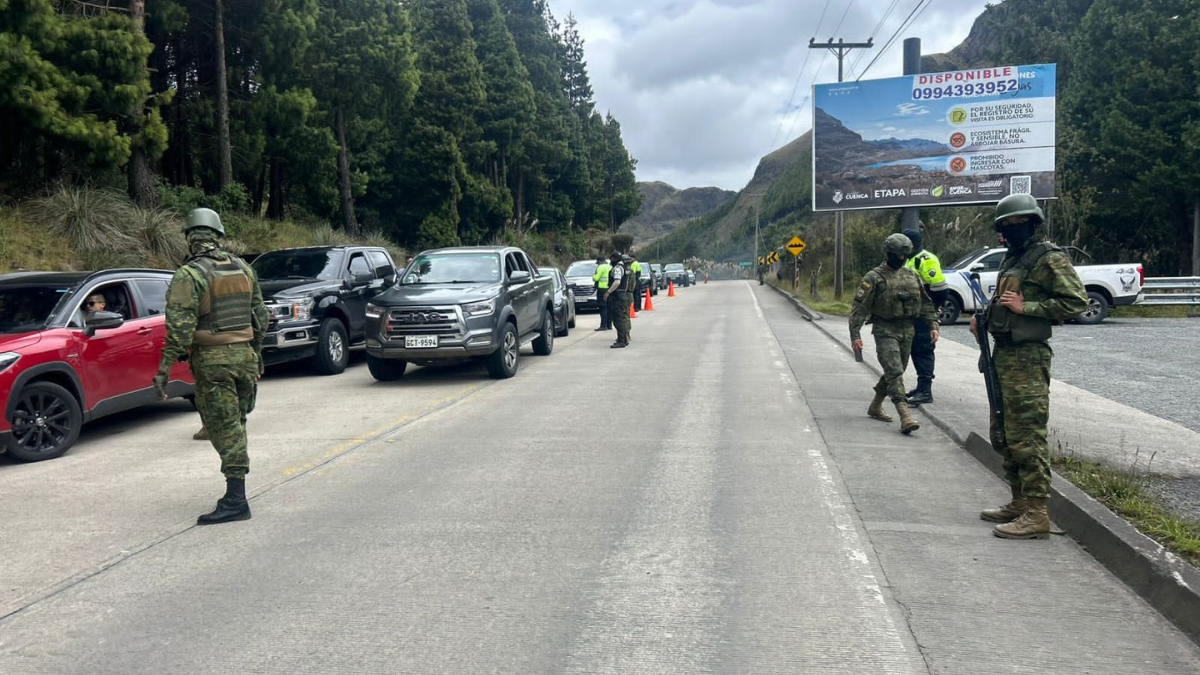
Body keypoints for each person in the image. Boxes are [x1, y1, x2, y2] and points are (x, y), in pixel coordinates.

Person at [974, 194, 1087, 540]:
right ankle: (1020, 502)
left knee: (1027, 435)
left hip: (1027, 357)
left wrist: (1029, 308)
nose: (1012, 229)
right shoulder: (1014, 257)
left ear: (1033, 223)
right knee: (1003, 433)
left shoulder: (1049, 258)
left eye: (1018, 223)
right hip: (1003, 354)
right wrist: (986, 318)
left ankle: (1038, 513)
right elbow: (1005, 300)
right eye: (1006, 224)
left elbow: (1076, 301)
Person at [154, 208, 268, 525]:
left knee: (225, 430)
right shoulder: (243, 268)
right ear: (218, 235)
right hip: (244, 357)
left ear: (190, 238)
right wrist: (256, 353)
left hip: (214, 361)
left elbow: (178, 330)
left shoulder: (189, 275)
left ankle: (236, 500)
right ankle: (236, 493)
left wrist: (164, 370)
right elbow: (262, 317)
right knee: (237, 424)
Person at [848, 233, 939, 435]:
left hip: (908, 330)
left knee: (895, 371)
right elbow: (859, 307)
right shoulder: (874, 278)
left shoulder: (911, 275)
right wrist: (855, 334)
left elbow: (925, 303)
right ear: (888, 253)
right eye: (897, 255)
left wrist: (933, 323)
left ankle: (875, 406)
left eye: (904, 256)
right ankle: (904, 415)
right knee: (895, 371)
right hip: (884, 329)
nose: (900, 259)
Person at [902, 226, 948, 406]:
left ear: (911, 245)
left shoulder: (925, 260)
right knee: (915, 349)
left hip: (923, 313)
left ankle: (925, 390)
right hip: (912, 314)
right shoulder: (910, 259)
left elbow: (940, 288)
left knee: (923, 350)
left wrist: (933, 311)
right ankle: (920, 387)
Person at [604, 251, 632, 348]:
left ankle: (621, 341)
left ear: (614, 259)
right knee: (621, 318)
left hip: (617, 296)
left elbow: (617, 282)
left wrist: (608, 292)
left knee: (617, 319)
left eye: (611, 259)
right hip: (622, 295)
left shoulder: (617, 268)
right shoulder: (624, 267)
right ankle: (624, 339)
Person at [593, 256, 612, 331]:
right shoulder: (610, 266)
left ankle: (603, 325)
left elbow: (596, 278)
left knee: (602, 307)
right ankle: (609, 325)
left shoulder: (600, 267)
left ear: (600, 261)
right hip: (610, 289)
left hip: (602, 289)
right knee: (609, 307)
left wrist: (593, 276)